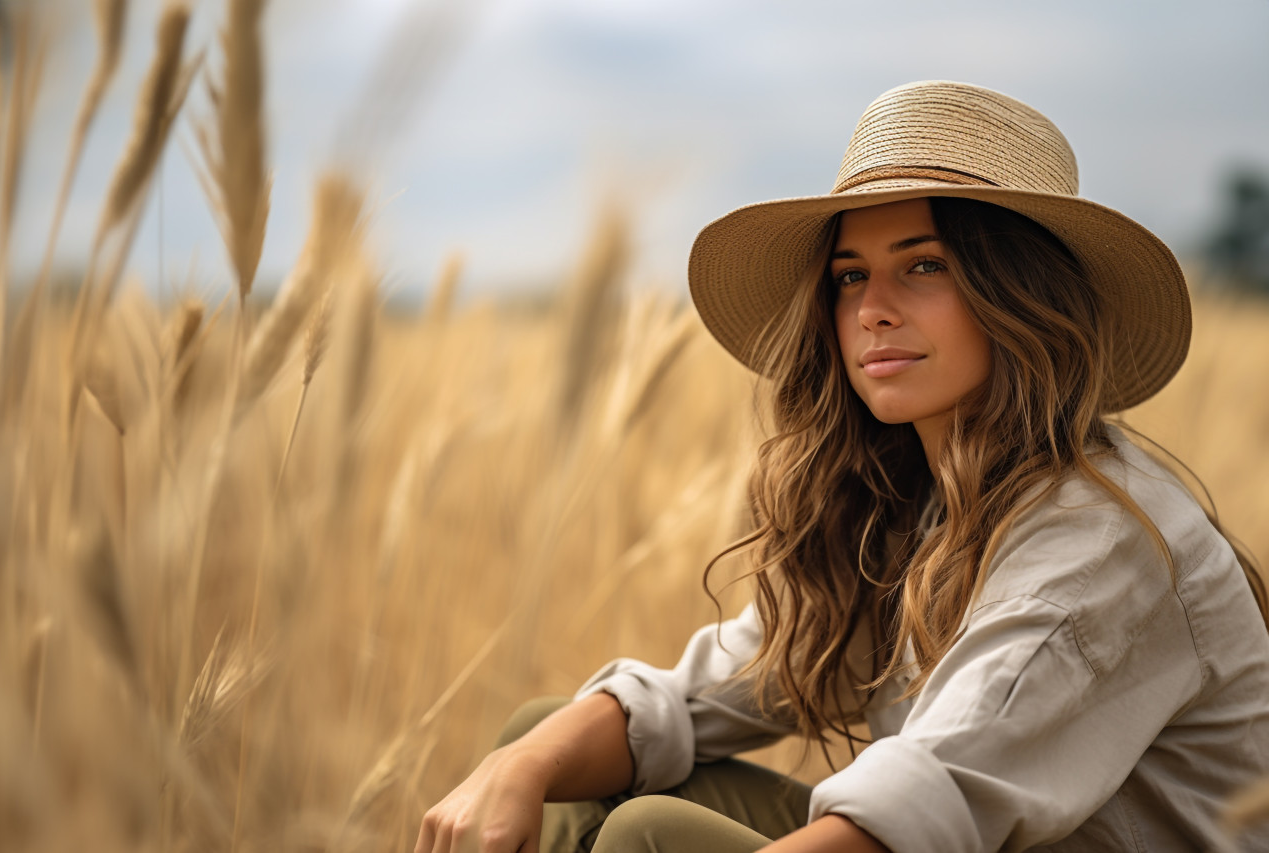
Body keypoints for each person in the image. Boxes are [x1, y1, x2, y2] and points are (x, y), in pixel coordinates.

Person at [415, 81, 1269, 852]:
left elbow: (920, 809)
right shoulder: (915, 504)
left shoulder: (1101, 539)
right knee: (550, 736)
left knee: (647, 832)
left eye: (925, 265)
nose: (872, 310)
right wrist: (520, 766)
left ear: (1021, 294)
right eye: (849, 275)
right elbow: (698, 695)